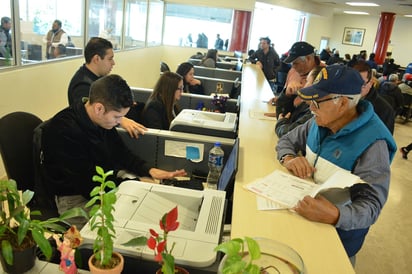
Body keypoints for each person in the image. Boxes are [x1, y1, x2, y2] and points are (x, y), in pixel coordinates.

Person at [276, 65, 396, 264]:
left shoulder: (373, 143)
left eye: (317, 101)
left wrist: (335, 215)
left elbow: (372, 206)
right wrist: (289, 158)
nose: (311, 107)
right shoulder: (319, 121)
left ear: (341, 103)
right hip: (305, 220)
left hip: (338, 240)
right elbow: (286, 141)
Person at [42, 75, 187, 229]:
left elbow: (120, 152)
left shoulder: (101, 120)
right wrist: (136, 184)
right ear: (99, 108)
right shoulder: (63, 130)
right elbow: (89, 186)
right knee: (129, 225)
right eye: (117, 117)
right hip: (75, 197)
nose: (120, 122)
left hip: (103, 182)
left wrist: (149, 170)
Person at [68, 37, 146, 138]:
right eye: (110, 59)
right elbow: (86, 114)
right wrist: (121, 120)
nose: (113, 63)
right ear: (96, 59)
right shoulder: (82, 85)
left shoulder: (99, 79)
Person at [274, 66, 322, 137]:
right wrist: (287, 95)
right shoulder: (306, 104)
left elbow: (289, 134)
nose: (304, 86)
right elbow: (283, 114)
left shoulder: (314, 112)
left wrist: (281, 123)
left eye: (307, 81)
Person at [353, 60, 395, 134]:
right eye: (352, 82)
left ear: (371, 83)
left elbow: (386, 140)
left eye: (362, 84)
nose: (355, 88)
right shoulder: (342, 100)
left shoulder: (384, 109)